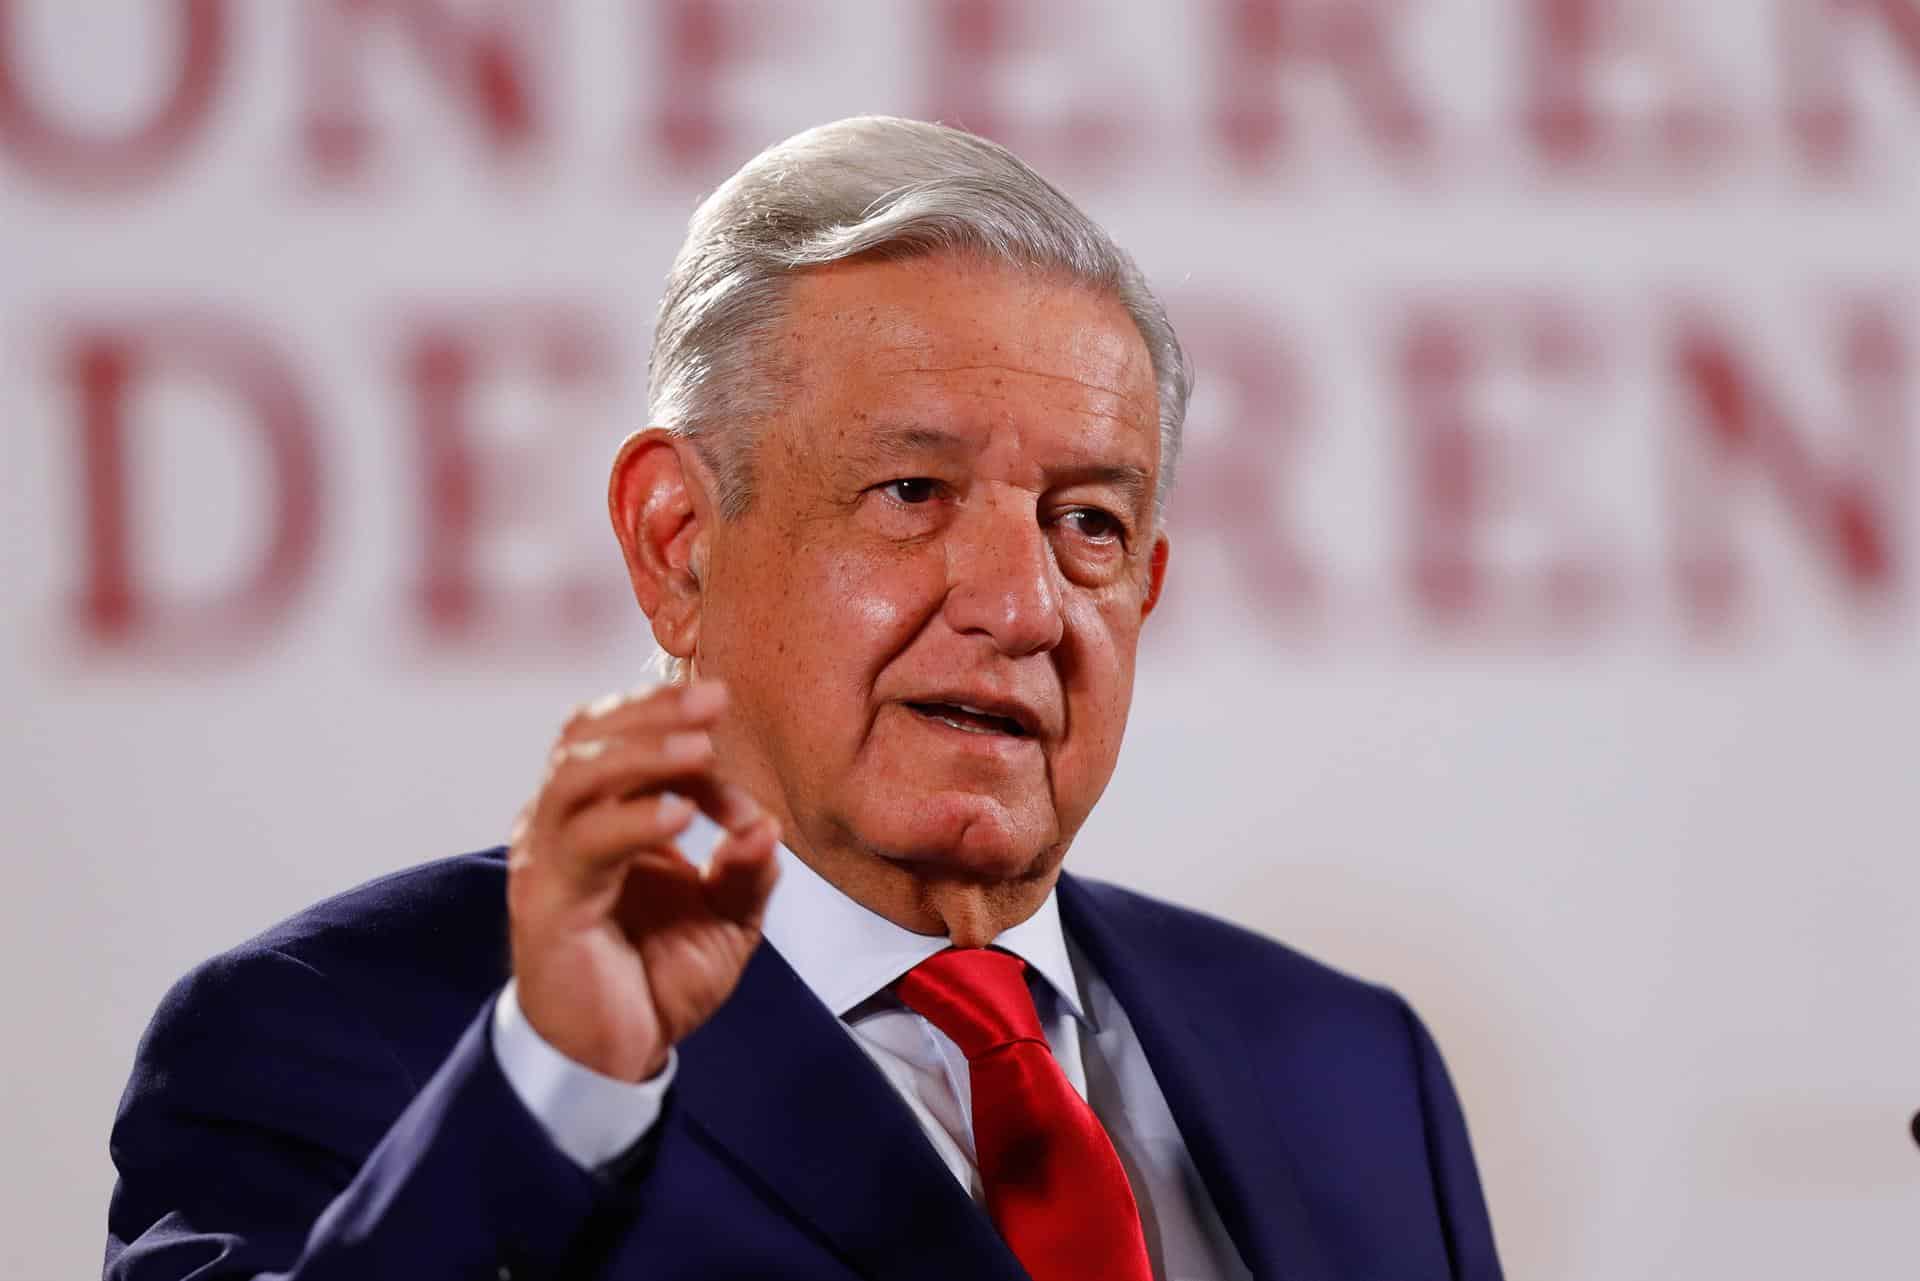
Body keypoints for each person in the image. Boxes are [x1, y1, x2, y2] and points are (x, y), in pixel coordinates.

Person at [104, 116, 1504, 1281]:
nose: (1021, 606)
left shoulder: (1352, 1070)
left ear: (1146, 584)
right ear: (678, 543)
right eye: (912, 491)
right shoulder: (340, 1038)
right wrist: (556, 1085)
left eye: (1088, 521)